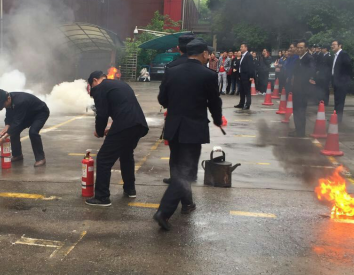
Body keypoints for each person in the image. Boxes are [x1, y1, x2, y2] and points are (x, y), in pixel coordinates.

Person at [154, 39, 223, 231]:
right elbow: (214, 102)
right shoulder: (208, 75)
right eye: (208, 54)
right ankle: (164, 211)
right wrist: (217, 119)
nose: (209, 57)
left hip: (174, 128)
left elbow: (162, 99)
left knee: (178, 169)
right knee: (187, 173)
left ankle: (187, 203)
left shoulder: (172, 71)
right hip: (192, 130)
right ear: (203, 54)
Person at [86, 71, 149, 206]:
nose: (93, 89)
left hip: (125, 125)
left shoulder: (100, 88)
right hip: (138, 124)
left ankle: (102, 197)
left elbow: (102, 114)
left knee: (104, 158)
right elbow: (123, 108)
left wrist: (99, 131)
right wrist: (113, 128)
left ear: (95, 80)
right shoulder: (119, 84)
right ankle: (130, 189)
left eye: (92, 85)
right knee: (126, 154)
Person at [0, 89, 50, 167]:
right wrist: (7, 126)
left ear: (8, 98)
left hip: (40, 113)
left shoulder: (20, 101)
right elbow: (9, 116)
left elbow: (17, 122)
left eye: (4, 104)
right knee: (14, 131)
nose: (4, 106)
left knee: (33, 132)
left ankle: (40, 158)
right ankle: (17, 155)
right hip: (27, 114)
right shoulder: (7, 101)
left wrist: (3, 138)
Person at [289, 40, 316, 137]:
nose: (299, 49)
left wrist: (304, 79)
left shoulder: (309, 58)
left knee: (301, 110)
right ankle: (297, 129)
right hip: (296, 88)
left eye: (301, 48)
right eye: (298, 47)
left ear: (306, 48)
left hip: (303, 89)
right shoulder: (298, 59)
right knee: (296, 109)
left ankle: (301, 132)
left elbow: (311, 71)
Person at [331, 40, 353, 123]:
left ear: (340, 45)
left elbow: (348, 67)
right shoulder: (335, 55)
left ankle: (338, 119)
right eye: (332, 44)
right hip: (336, 81)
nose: (332, 46)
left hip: (342, 82)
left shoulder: (343, 54)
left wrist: (343, 79)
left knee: (340, 101)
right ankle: (335, 117)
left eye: (334, 44)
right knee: (337, 100)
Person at [235, 43, 255, 110]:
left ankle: (247, 104)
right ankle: (241, 103)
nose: (240, 48)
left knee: (247, 91)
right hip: (241, 75)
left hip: (246, 76)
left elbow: (251, 66)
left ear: (246, 48)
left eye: (242, 47)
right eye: (240, 47)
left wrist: (251, 76)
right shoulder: (242, 56)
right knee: (241, 90)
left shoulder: (248, 56)